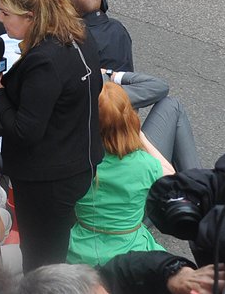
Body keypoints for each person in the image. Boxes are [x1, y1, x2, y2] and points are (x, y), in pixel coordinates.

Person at [0, 0, 104, 271]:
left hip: (47, 179)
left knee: (41, 263)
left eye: (5, 13)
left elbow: (24, 131)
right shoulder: (80, 34)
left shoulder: (43, 61)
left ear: (31, 16)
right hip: (80, 160)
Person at [66, 82, 168, 267]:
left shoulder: (74, 160)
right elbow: (172, 177)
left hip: (80, 250)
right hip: (130, 251)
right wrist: (141, 137)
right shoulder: (144, 164)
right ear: (130, 120)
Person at [67, 0, 134, 72]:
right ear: (103, 2)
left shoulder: (77, 38)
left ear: (71, 8)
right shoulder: (118, 27)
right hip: (124, 84)